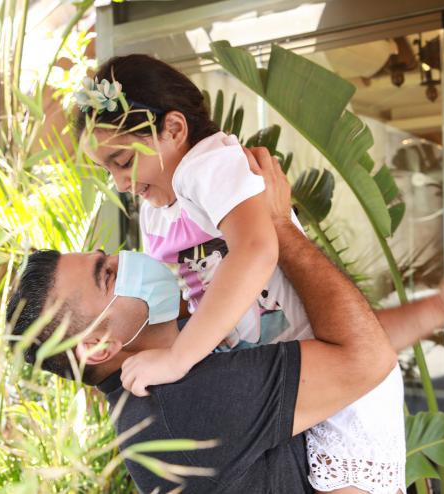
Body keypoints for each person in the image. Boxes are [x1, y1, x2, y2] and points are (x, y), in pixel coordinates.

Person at [6, 148, 444, 493]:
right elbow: (362, 359)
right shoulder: (179, 406)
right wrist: (277, 228)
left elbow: (337, 356)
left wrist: (441, 308)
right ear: (99, 348)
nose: (125, 257)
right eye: (108, 274)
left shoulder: (176, 372)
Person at [77, 54, 411, 492]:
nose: (120, 183)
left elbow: (256, 250)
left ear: (174, 129)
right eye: (108, 171)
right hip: (286, 379)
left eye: (122, 161)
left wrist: (179, 359)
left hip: (336, 371)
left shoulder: (210, 165)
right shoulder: (157, 210)